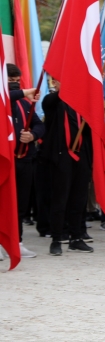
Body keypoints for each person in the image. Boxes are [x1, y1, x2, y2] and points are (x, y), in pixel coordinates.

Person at [41, 81, 95, 256]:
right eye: (60, 81)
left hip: (81, 156)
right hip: (61, 156)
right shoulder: (53, 102)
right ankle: (56, 239)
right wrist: (68, 86)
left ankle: (76, 238)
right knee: (60, 199)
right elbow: (49, 103)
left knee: (79, 199)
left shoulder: (81, 105)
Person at [8, 64, 43, 258]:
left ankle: (17, 241)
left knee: (21, 204)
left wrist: (32, 136)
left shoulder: (23, 103)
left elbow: (39, 125)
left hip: (24, 160)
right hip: (5, 161)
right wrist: (24, 91)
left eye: (16, 81)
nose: (13, 84)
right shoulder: (5, 99)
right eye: (9, 81)